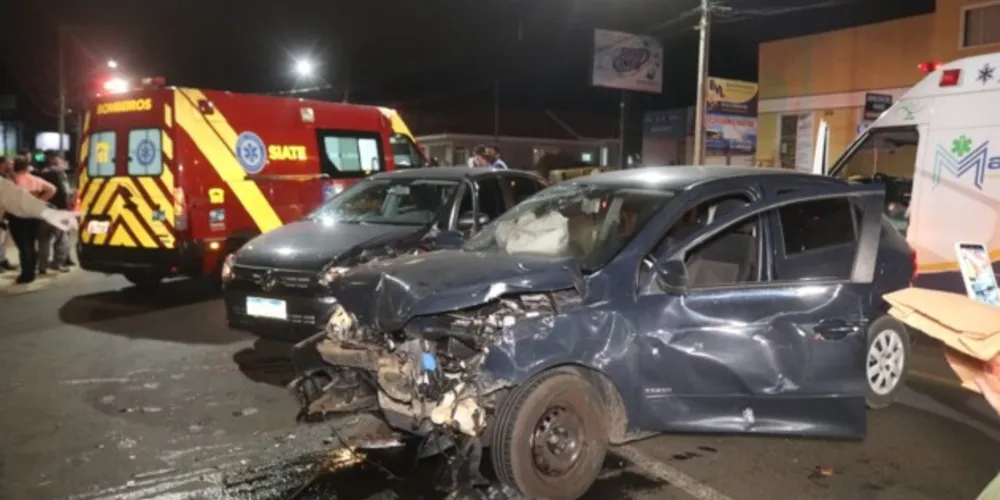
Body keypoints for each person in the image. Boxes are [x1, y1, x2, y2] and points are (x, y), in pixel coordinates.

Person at [6, 157, 56, 284]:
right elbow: (52, 189)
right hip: (33, 215)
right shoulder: (35, 179)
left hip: (17, 215)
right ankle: (32, 271)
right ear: (26, 166)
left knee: (23, 245)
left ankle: (26, 273)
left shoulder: (12, 181)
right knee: (31, 242)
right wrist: (39, 200)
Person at [36, 151, 72, 274]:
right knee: (61, 238)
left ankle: (43, 266)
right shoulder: (55, 174)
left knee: (45, 239)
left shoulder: (43, 174)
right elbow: (63, 194)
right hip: (57, 210)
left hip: (48, 210)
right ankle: (57, 263)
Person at [0, 156, 14, 272]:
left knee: (3, 240)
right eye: (8, 163)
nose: (10, 166)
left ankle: (2, 260)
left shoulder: (5, 176)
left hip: (5, 213)